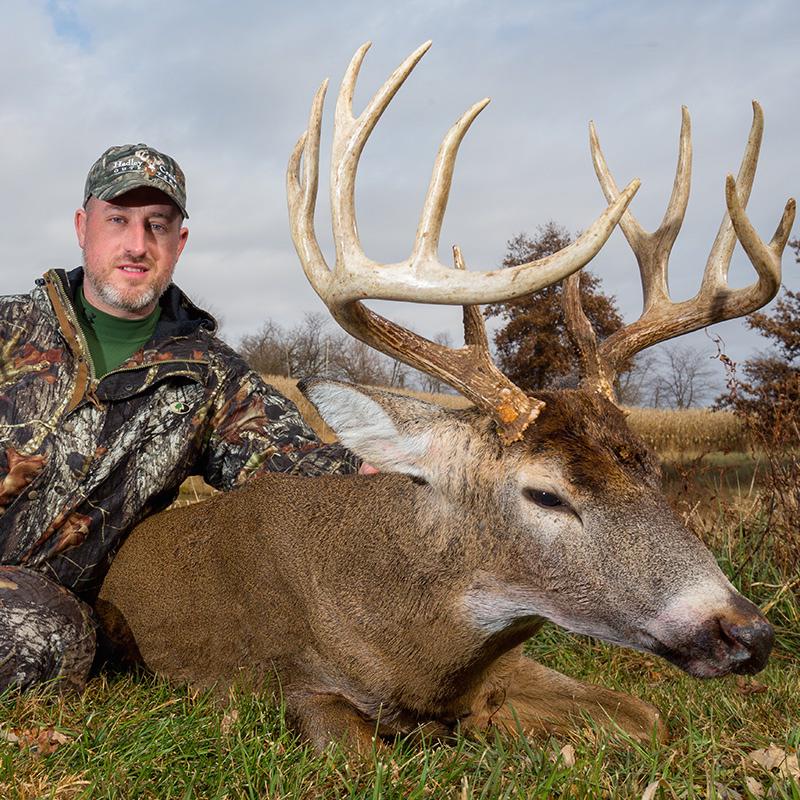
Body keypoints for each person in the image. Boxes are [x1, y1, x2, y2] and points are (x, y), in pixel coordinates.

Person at [0, 143, 362, 693]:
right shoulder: (11, 327)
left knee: (53, 636)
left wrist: (373, 475)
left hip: (34, 609)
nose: (136, 244)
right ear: (83, 226)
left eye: (158, 225)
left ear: (179, 242)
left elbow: (290, 461)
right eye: (118, 220)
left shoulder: (209, 375)